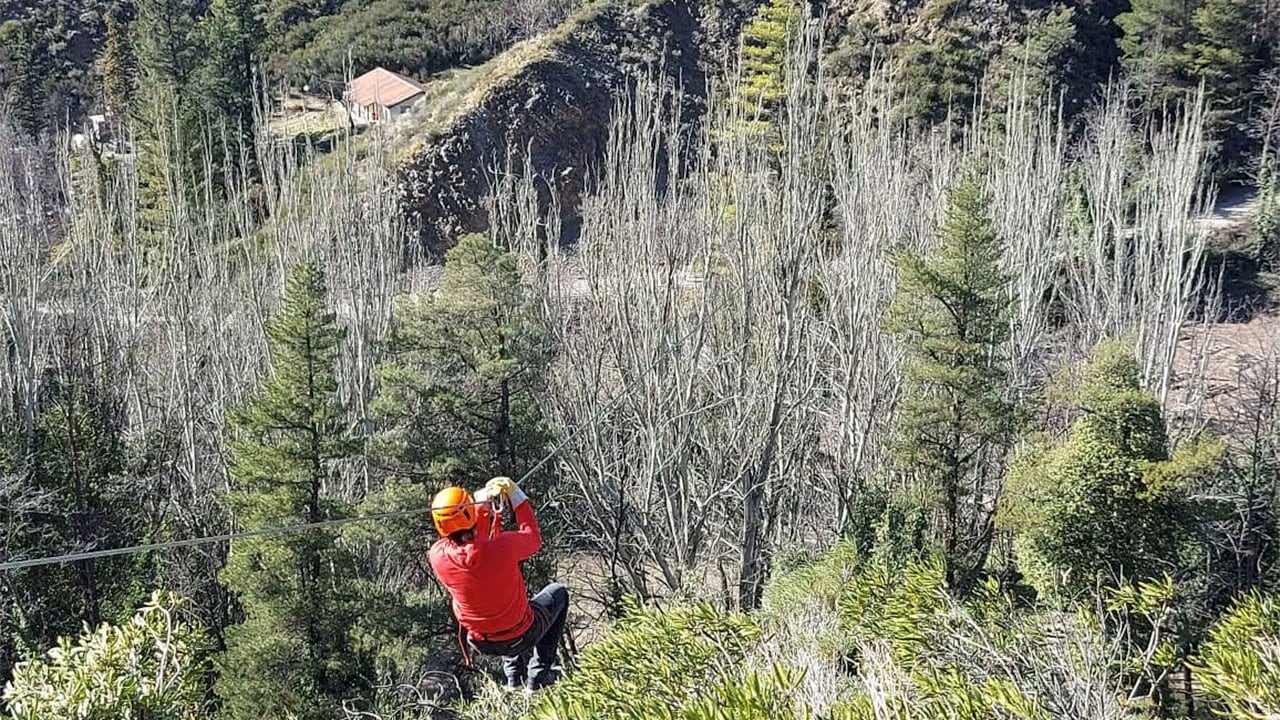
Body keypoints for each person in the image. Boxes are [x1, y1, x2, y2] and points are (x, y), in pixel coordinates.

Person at [427, 476, 569, 691]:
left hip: (480, 642)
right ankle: (538, 675)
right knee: (557, 593)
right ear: (469, 512)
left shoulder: (437, 556)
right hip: (521, 635)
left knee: (493, 607)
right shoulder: (502, 547)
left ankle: (514, 678)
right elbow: (532, 538)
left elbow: (476, 546)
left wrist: (482, 508)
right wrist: (516, 496)